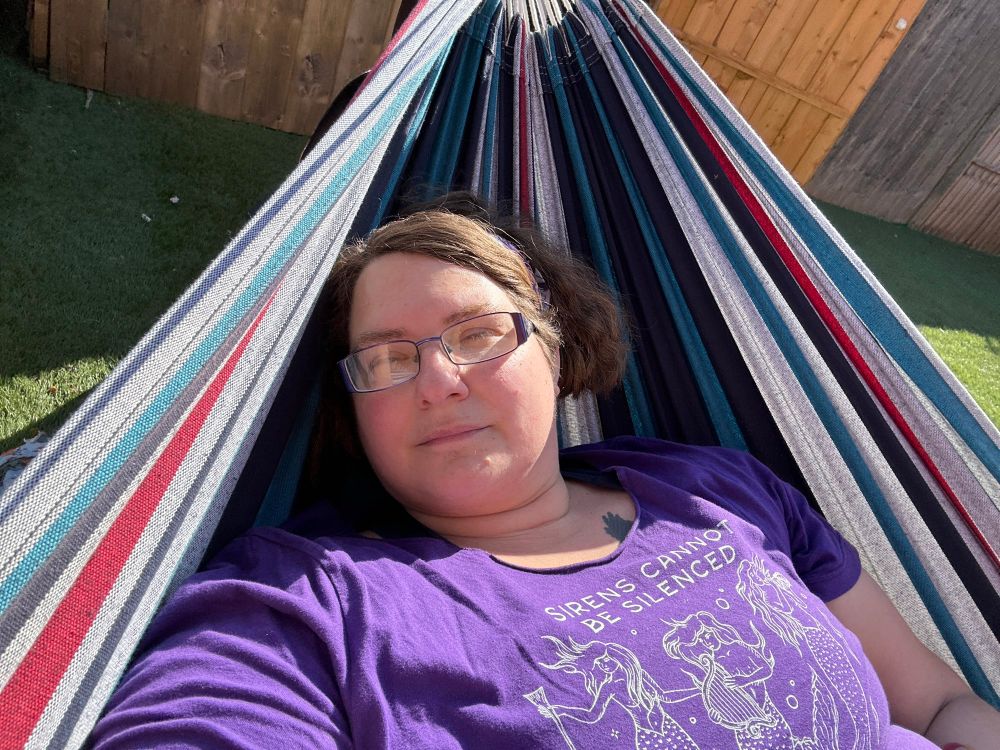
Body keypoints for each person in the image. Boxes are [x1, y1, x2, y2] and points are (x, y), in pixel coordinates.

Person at [90, 194, 999, 749]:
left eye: (478, 334)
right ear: (352, 406)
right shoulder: (309, 603)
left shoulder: (717, 485)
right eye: (388, 357)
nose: (440, 382)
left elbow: (939, 703)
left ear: (558, 351)